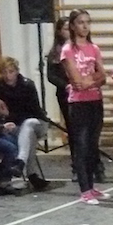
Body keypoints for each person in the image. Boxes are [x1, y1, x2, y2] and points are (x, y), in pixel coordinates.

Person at [61, 9, 109, 204]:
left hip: (95, 101)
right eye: (81, 22)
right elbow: (76, 81)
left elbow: (103, 76)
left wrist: (90, 80)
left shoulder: (94, 49)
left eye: (87, 22)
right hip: (78, 103)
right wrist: (92, 78)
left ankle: (91, 185)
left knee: (92, 146)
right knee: (81, 145)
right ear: (73, 26)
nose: (85, 26)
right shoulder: (67, 50)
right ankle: (84, 189)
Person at [0, 57, 48, 190]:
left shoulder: (27, 85)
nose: (7, 76)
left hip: (36, 121)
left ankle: (21, 161)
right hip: (16, 125)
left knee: (28, 125)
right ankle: (31, 173)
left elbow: (34, 111)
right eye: (4, 72)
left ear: (17, 71)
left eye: (11, 72)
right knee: (29, 135)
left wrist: (10, 116)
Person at [44, 16, 73, 179]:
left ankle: (95, 164)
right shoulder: (55, 52)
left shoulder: (80, 48)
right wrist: (66, 85)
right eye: (65, 29)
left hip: (84, 93)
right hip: (66, 93)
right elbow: (51, 76)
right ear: (60, 32)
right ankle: (77, 166)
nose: (69, 31)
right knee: (73, 130)